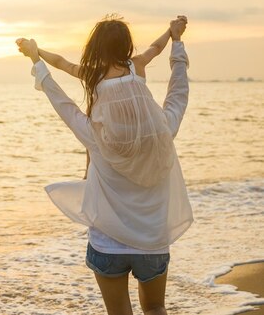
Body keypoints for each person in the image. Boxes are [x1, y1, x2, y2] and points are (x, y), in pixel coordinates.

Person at [16, 16, 191, 315]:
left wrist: (36, 56)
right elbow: (177, 90)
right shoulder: (163, 127)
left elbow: (63, 101)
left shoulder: (96, 130)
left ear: (96, 47)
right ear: (126, 45)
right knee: (156, 308)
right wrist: (175, 38)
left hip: (108, 243)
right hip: (152, 241)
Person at [35, 15, 186, 179]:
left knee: (89, 119)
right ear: (126, 45)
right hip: (153, 132)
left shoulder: (94, 73)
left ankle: (88, 171)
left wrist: (37, 52)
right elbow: (156, 47)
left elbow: (62, 63)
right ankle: (91, 169)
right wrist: (171, 33)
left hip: (117, 140)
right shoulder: (136, 64)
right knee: (176, 101)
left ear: (96, 48)